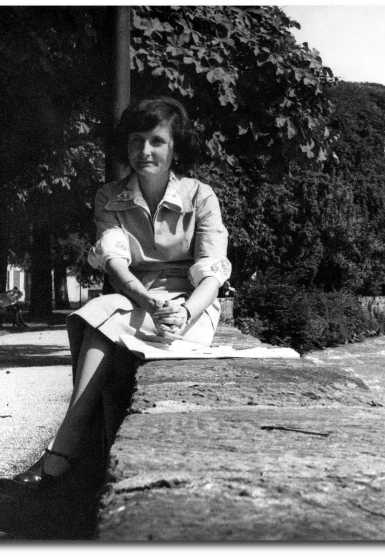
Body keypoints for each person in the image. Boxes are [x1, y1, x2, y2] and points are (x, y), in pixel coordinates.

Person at [13, 97, 231, 489]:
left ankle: (63, 450)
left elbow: (212, 271)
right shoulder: (109, 197)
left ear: (175, 146)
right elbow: (114, 261)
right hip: (134, 300)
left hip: (190, 306)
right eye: (136, 140)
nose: (144, 151)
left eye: (156, 141)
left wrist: (184, 313)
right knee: (101, 312)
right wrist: (146, 299)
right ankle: (73, 447)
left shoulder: (201, 196)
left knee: (103, 323)